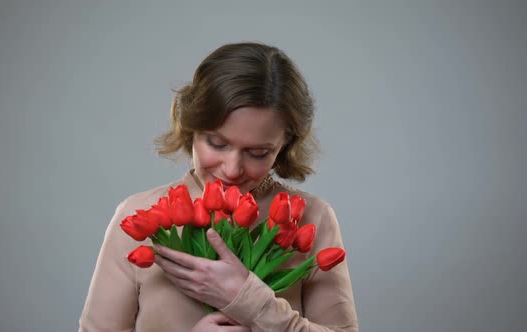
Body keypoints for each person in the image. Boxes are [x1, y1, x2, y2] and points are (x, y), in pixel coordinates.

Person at [79, 42, 358, 331]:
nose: (232, 169)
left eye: (258, 153)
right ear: (190, 127)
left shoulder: (313, 217)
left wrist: (250, 300)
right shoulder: (139, 214)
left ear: (285, 144)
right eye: (217, 143)